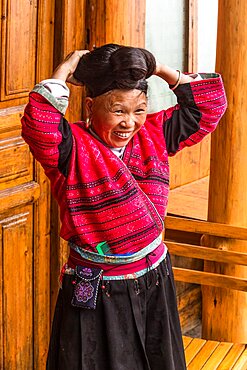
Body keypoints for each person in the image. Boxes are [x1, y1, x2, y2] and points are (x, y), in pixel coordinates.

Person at [21, 44, 227, 370]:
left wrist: (155, 66)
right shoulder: (70, 149)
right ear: (90, 106)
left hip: (156, 276)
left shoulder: (154, 134)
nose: (129, 123)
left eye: (139, 110)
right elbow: (39, 124)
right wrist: (65, 67)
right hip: (100, 285)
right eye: (118, 110)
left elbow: (209, 105)